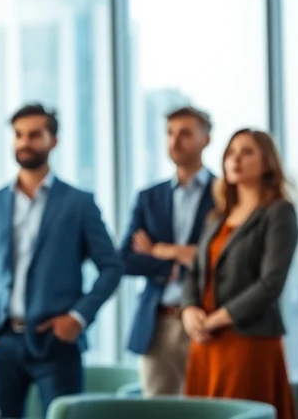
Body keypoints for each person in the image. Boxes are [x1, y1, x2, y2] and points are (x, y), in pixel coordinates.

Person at [0, 103, 123, 418]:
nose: (24, 142)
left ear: (53, 140)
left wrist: (78, 317)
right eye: (18, 135)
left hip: (56, 343)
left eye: (34, 135)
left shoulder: (79, 203)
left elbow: (112, 267)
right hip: (1, 343)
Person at [181, 129, 298, 419]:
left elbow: (271, 283)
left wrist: (217, 319)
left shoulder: (278, 212)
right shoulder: (217, 217)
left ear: (267, 162)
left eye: (247, 152)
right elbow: (195, 273)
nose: (236, 159)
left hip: (247, 340)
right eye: (231, 152)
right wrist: (189, 310)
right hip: (205, 341)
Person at [120, 106, 215, 396]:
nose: (175, 141)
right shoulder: (149, 197)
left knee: (209, 409)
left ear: (205, 140)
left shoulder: (224, 194)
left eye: (185, 133)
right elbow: (125, 259)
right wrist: (172, 263)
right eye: (170, 133)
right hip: (157, 322)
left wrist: (161, 250)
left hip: (206, 319)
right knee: (157, 410)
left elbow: (221, 257)